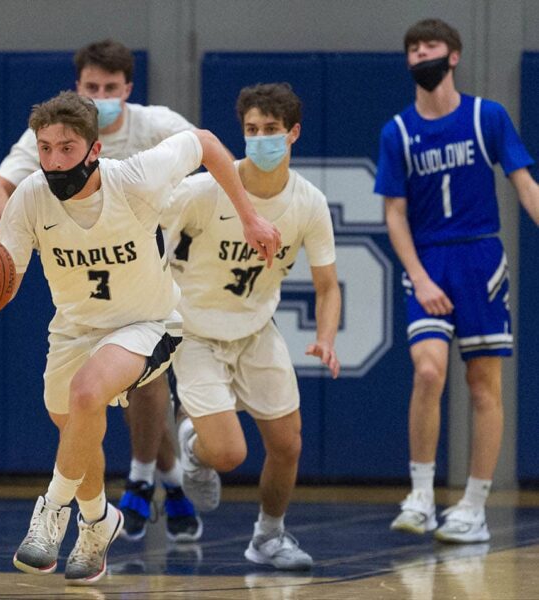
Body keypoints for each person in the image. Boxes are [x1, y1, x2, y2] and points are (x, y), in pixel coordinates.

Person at [0, 91, 280, 585]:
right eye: (45, 148)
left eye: (66, 148)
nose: (54, 160)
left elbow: (206, 142)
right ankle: (97, 522)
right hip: (74, 329)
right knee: (75, 428)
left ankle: (51, 513)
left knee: (87, 392)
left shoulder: (136, 178)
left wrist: (250, 216)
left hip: (149, 323)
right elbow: (7, 284)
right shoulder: (29, 198)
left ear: (94, 149)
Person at [0, 39, 201, 543]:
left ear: (127, 89)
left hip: (152, 272)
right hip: (82, 297)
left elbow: (206, 151)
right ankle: (108, 513)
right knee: (75, 416)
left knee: (126, 383)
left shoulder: (153, 133)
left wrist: (246, 213)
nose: (100, 96)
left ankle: (125, 483)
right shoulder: (47, 147)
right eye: (91, 87)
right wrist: (32, 225)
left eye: (109, 87)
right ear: (77, 87)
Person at [375, 18, 539, 543]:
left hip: (480, 258)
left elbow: (525, 183)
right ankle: (421, 496)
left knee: (483, 384)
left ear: (454, 56)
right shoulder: (398, 132)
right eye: (413, 48)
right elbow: (394, 213)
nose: (421, 54)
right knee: (428, 372)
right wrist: (419, 277)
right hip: (428, 261)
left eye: (431, 46)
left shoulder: (486, 116)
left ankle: (473, 506)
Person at [164, 83, 341, 571]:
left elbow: (328, 286)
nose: (261, 138)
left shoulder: (308, 203)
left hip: (256, 329)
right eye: (251, 129)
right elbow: (148, 241)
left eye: (271, 129)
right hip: (194, 331)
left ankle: (269, 536)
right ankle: (193, 446)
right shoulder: (201, 192)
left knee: (287, 444)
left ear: (293, 133)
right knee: (227, 454)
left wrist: (326, 338)